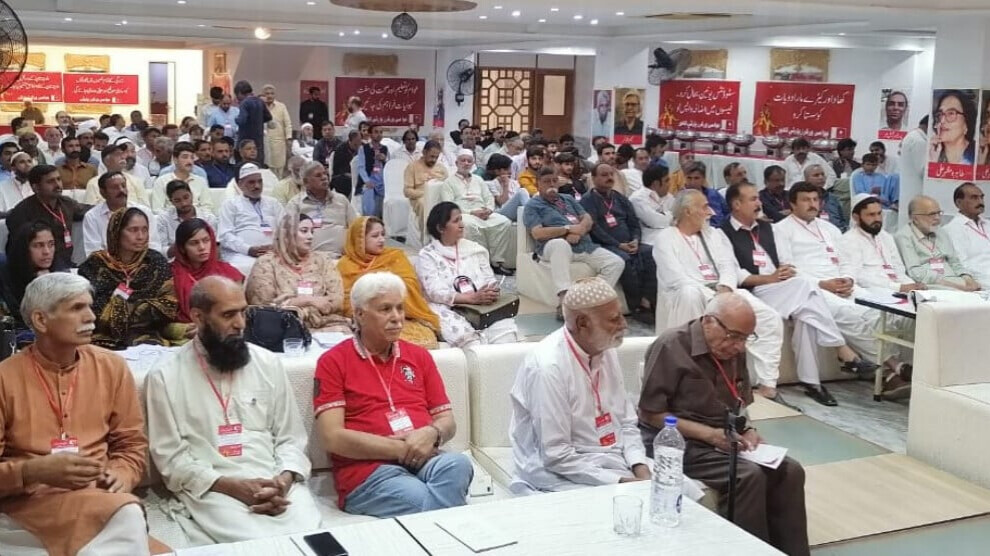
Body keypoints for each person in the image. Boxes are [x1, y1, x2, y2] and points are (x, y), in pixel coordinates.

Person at [145, 276, 322, 543]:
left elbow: (291, 438)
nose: (240, 324)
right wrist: (233, 487)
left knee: (312, 536)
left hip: (276, 481)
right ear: (198, 317)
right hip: (213, 487)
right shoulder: (165, 376)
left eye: (243, 312)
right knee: (254, 541)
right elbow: (171, 459)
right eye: (228, 315)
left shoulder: (267, 363)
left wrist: (283, 481)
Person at [639, 293, 810, 556]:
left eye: (746, 338)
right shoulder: (671, 346)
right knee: (746, 476)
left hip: (725, 438)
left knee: (790, 471)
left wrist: (749, 430)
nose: (739, 346)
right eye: (734, 336)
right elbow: (650, 414)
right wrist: (709, 435)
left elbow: (739, 403)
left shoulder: (733, 349)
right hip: (678, 441)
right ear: (709, 321)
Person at [0, 273, 153, 556]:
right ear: (41, 320)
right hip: (25, 506)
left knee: (127, 513)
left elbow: (131, 443)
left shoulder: (112, 367)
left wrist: (122, 473)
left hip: (96, 498)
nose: (91, 317)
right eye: (76, 308)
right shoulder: (4, 378)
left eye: (90, 306)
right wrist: (32, 472)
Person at [313, 271, 473, 517]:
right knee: (426, 501)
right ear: (359, 314)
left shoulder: (419, 356)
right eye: (385, 309)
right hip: (369, 472)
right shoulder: (333, 362)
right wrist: (401, 449)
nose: (397, 317)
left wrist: (432, 433)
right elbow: (332, 438)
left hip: (425, 460)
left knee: (458, 464)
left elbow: (447, 422)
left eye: (400, 308)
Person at [721, 183, 879, 405]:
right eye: (753, 199)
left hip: (782, 285)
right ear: (737, 204)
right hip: (755, 288)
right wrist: (769, 278)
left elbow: (787, 261)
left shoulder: (768, 228)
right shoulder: (723, 232)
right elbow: (734, 272)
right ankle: (842, 350)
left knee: (807, 311)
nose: (759, 203)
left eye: (758, 198)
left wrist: (783, 272)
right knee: (807, 288)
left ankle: (812, 383)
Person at [510, 277, 649, 493]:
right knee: (626, 505)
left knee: (681, 490)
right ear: (582, 323)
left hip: (614, 457)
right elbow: (556, 455)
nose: (624, 325)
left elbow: (627, 423)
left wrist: (641, 468)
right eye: (614, 319)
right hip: (559, 470)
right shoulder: (548, 367)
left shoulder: (605, 346)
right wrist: (621, 482)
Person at [774, 182, 913, 396]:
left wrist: (847, 279)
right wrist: (823, 284)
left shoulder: (829, 228)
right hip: (812, 288)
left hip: (843, 284)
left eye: (815, 199)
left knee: (879, 311)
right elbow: (788, 269)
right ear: (792, 204)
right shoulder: (781, 230)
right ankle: (893, 367)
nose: (812, 204)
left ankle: (890, 372)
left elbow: (845, 261)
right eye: (806, 200)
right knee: (852, 315)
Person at [653, 189, 787, 402]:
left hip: (722, 292)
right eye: (705, 207)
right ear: (687, 211)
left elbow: (727, 266)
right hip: (689, 293)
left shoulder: (714, 234)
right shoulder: (665, 238)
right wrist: (712, 296)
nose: (711, 212)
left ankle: (767, 386)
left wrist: (725, 287)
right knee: (690, 294)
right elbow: (675, 278)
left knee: (769, 317)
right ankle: (690, 380)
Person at [524, 167, 624, 320]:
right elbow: (538, 233)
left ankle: (591, 302)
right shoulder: (533, 205)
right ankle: (565, 301)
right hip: (551, 247)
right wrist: (567, 229)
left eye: (554, 180)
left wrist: (579, 231)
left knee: (616, 262)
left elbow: (587, 219)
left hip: (583, 245)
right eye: (546, 181)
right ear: (538, 184)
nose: (552, 184)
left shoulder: (568, 199)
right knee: (560, 244)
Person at [415, 202, 519, 347]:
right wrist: (471, 298)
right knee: (472, 344)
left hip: (482, 307)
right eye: (456, 221)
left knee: (506, 337)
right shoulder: (427, 255)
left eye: (461, 220)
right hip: (446, 308)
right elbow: (435, 292)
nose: (462, 225)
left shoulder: (475, 250)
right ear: (440, 228)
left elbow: (490, 279)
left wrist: (490, 292)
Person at [78, 207, 177, 349]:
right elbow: (89, 308)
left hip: (146, 336)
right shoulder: (95, 265)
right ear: (117, 232)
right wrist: (140, 308)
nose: (141, 236)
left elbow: (168, 305)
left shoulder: (155, 262)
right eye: (133, 230)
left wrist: (118, 308)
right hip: (101, 336)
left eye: (145, 230)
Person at [338, 217, 440, 348]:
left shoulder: (396, 257)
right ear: (359, 240)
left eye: (383, 234)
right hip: (368, 321)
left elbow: (411, 286)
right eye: (375, 236)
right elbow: (346, 300)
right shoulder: (345, 265)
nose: (381, 240)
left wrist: (379, 294)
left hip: (404, 317)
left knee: (422, 341)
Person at [246, 212, 352, 332]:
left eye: (312, 231)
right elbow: (263, 307)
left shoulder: (323, 260)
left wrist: (293, 305)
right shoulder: (266, 263)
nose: (310, 236)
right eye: (304, 231)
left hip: (325, 323)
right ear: (287, 234)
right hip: (281, 327)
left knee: (345, 333)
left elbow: (336, 300)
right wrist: (307, 301)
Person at [580, 163, 657, 324]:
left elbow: (634, 223)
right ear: (593, 178)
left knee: (651, 253)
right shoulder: (588, 200)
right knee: (625, 260)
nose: (609, 178)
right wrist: (618, 245)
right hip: (605, 244)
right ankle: (636, 307)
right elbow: (594, 229)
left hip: (630, 242)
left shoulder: (620, 198)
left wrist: (636, 239)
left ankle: (649, 300)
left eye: (611, 174)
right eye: (604, 175)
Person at [439, 149, 514, 275]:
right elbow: (448, 205)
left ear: (473, 163)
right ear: (456, 163)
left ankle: (497, 262)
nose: (466, 163)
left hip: (483, 213)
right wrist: (471, 212)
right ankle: (478, 263)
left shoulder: (478, 179)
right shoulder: (448, 182)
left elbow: (488, 197)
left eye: (469, 161)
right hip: (464, 213)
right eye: (463, 160)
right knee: (469, 225)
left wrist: (489, 209)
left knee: (504, 222)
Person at [6, 165, 91, 268]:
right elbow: (18, 250)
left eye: (58, 179)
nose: (58, 185)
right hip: (35, 267)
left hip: (66, 263)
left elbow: (89, 211)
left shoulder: (66, 203)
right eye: (50, 181)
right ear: (36, 187)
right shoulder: (22, 212)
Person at [841, 193, 926, 295]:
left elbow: (899, 269)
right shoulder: (849, 240)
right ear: (856, 217)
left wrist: (912, 286)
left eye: (879, 213)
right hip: (872, 291)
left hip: (898, 288)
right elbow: (858, 276)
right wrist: (898, 287)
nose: (877, 219)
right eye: (871, 215)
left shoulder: (886, 237)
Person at [894, 195, 980, 291]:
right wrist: (954, 285)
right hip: (932, 285)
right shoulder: (903, 237)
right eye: (932, 214)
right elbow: (915, 273)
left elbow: (954, 262)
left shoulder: (941, 232)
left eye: (939, 213)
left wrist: (967, 278)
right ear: (915, 218)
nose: (937, 218)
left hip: (956, 282)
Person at [0, 221, 70, 338]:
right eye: (38, 245)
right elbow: (7, 323)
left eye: (51, 244)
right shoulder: (6, 275)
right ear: (25, 249)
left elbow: (67, 319)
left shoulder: (60, 273)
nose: (47, 252)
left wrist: (48, 288)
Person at [171, 218, 243, 326]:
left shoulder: (228, 272)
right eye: (194, 243)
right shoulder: (171, 275)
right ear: (182, 248)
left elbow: (239, 310)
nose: (202, 247)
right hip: (186, 330)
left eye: (206, 240)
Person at [218, 162, 285, 275]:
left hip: (273, 252)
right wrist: (248, 249)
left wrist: (276, 246)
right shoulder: (230, 204)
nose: (257, 186)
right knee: (248, 267)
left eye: (260, 181)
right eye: (251, 182)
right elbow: (225, 236)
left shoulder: (273, 203)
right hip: (241, 255)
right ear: (240, 184)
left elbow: (285, 229)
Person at [285, 161, 356, 258]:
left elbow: (355, 228)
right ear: (306, 182)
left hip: (342, 258)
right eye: (318, 175)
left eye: (325, 173)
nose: (324, 177)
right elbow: (288, 235)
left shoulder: (341, 200)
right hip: (309, 259)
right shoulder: (296, 203)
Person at [82, 171, 160, 257]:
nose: (121, 190)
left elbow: (154, 246)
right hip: (106, 263)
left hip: (144, 261)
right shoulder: (92, 216)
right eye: (115, 188)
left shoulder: (144, 212)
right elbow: (93, 252)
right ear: (103, 192)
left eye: (123, 186)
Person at [944, 183, 990, 286]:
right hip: (981, 281)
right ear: (959, 203)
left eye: (981, 197)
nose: (980, 202)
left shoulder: (988, 224)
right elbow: (962, 265)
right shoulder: (952, 230)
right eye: (974, 198)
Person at [403, 140, 450, 241]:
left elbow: (448, 185)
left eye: (436, 157)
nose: (434, 160)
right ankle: (427, 237)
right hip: (420, 197)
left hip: (439, 196)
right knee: (423, 204)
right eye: (431, 156)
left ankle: (446, 235)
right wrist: (426, 193)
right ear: (424, 152)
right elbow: (407, 191)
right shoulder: (412, 167)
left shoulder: (441, 167)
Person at [158, 179, 218, 257]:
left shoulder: (208, 218)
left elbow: (214, 247)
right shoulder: (163, 219)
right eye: (177, 200)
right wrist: (182, 246)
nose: (184, 203)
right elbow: (161, 249)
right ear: (171, 202)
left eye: (186, 197)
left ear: (192, 195)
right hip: (175, 260)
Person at [151, 141, 214, 213]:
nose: (189, 161)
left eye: (192, 158)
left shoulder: (201, 181)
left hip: (197, 217)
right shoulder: (162, 181)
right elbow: (157, 209)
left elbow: (207, 207)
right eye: (185, 157)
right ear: (175, 159)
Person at [629, 163, 674, 247]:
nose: (670, 184)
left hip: (669, 236)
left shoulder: (668, 196)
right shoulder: (637, 199)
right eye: (666, 180)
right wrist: (670, 216)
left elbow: (678, 217)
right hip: (649, 241)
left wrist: (664, 215)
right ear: (655, 184)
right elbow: (655, 222)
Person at [930, 89, 977, 165]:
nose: (942, 120)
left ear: (966, 123)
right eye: (940, 114)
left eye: (951, 113)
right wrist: (932, 161)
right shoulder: (933, 153)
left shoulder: (978, 154)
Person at [234, 80, 272, 166]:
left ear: (239, 93)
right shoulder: (260, 101)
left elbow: (241, 121)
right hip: (258, 142)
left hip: (245, 141)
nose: (237, 98)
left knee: (243, 166)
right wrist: (258, 121)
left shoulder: (244, 103)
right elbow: (269, 117)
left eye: (237, 95)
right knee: (258, 165)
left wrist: (236, 119)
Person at [484, 152, 529, 221]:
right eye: (506, 169)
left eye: (510, 168)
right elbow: (502, 202)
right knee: (522, 192)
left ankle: (532, 214)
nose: (510, 172)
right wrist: (506, 185)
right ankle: (532, 214)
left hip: (516, 210)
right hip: (500, 212)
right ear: (497, 171)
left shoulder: (515, 183)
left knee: (527, 192)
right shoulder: (490, 184)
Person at [682, 160, 728, 227]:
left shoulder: (714, 194)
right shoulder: (681, 198)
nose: (692, 182)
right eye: (689, 178)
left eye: (696, 178)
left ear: (703, 179)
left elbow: (729, 214)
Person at [357, 123, 388, 217]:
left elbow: (388, 166)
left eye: (381, 132)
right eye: (376, 132)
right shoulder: (364, 148)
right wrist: (367, 181)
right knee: (369, 199)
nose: (379, 134)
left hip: (381, 181)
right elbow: (361, 167)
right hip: (369, 180)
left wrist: (384, 160)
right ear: (370, 134)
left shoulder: (384, 149)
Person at [261, 84, 292, 177]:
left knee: (279, 168)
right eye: (267, 94)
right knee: (266, 168)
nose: (269, 96)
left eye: (272, 93)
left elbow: (288, 123)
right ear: (263, 95)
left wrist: (289, 138)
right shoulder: (260, 106)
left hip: (278, 142)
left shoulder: (281, 106)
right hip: (264, 141)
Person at [805, 164, 847, 231]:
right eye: (816, 175)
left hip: (838, 232)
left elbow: (842, 221)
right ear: (806, 179)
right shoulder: (804, 200)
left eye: (822, 174)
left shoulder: (833, 198)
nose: (821, 177)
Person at [331, 129, 362, 197]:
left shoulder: (363, 147)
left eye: (359, 143)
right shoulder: (340, 149)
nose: (358, 147)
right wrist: (349, 174)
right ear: (349, 141)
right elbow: (337, 169)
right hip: (343, 175)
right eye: (355, 145)